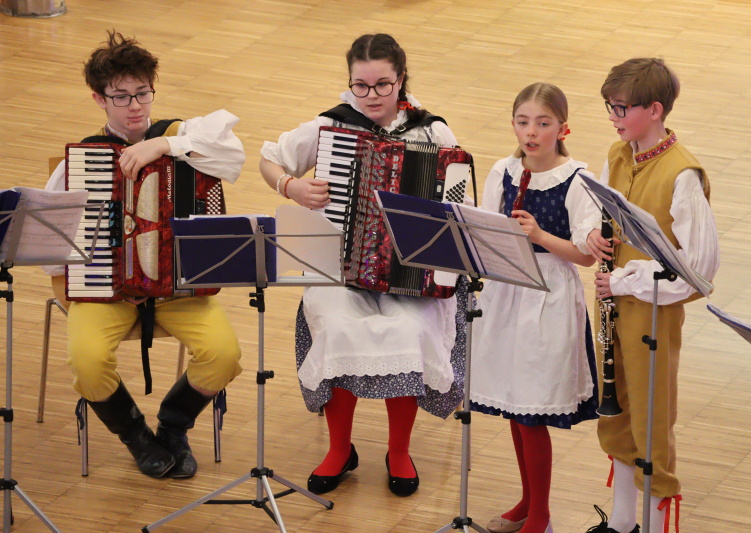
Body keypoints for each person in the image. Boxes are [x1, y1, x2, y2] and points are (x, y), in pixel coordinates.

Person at [259, 33, 467, 497]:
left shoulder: (433, 132)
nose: (371, 96)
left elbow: (456, 208)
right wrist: (291, 187)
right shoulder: (331, 126)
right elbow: (269, 159)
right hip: (340, 267)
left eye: (383, 85)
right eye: (361, 85)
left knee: (410, 331)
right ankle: (340, 449)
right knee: (336, 327)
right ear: (350, 81)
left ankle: (399, 451)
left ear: (401, 79)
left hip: (411, 276)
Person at [43, 30, 245, 479]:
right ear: (99, 99)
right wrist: (90, 285)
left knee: (224, 354)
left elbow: (233, 155)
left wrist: (163, 146)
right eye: (121, 97)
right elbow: (53, 245)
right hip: (107, 291)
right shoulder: (83, 160)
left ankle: (174, 427)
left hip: (176, 290)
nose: (135, 106)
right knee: (87, 362)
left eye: (143, 93)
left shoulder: (181, 137)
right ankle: (136, 436)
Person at [584, 58, 720, 533]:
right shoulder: (619, 155)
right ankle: (623, 523)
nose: (613, 116)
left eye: (621, 108)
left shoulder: (683, 175)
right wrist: (592, 235)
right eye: (609, 106)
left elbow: (697, 271)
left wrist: (624, 281)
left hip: (652, 315)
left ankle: (656, 525)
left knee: (650, 419)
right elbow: (600, 214)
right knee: (618, 412)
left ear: (655, 110)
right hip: (612, 306)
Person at [469, 82, 599, 533]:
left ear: (563, 128)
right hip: (507, 293)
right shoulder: (503, 170)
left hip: (549, 298)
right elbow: (481, 232)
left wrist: (539, 235)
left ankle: (540, 515)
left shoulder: (579, 178)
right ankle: (527, 500)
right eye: (523, 122)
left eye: (543, 123)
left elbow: (586, 256)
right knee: (513, 406)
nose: (531, 132)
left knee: (531, 414)